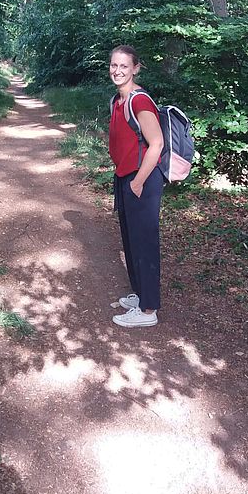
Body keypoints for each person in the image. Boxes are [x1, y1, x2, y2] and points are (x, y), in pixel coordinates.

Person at [108, 45, 164, 328]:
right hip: (125, 177)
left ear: (135, 68)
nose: (118, 71)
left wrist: (139, 182)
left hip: (143, 179)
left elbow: (157, 144)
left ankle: (148, 310)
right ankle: (141, 295)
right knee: (131, 241)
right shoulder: (118, 100)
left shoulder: (139, 101)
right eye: (114, 65)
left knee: (144, 243)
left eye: (124, 66)